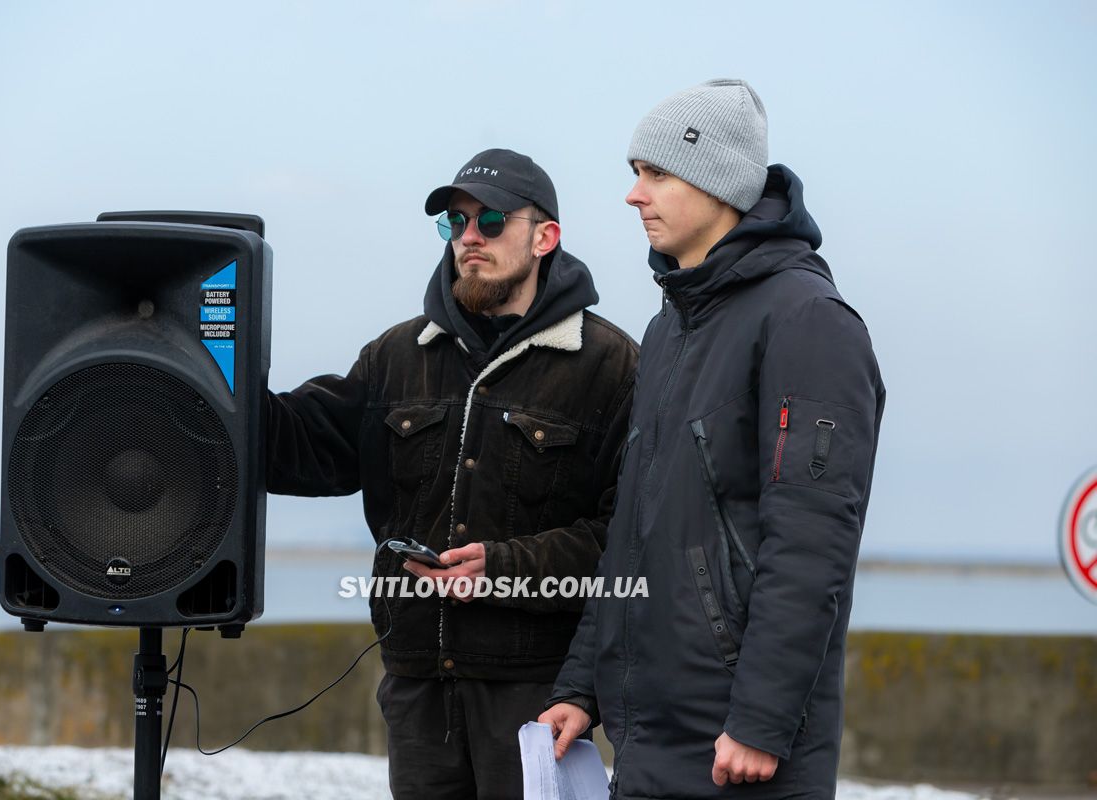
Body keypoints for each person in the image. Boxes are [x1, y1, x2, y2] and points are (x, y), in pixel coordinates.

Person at [540, 80, 886, 798]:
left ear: (718, 181)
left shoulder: (807, 322)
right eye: (636, 174)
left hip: (741, 751)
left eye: (656, 174)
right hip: (647, 740)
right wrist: (581, 688)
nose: (635, 195)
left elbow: (811, 543)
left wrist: (761, 720)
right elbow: (633, 535)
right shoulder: (670, 329)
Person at [266, 148, 639, 799]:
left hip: (537, 696)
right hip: (416, 690)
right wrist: (216, 383)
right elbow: (305, 445)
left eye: (491, 220)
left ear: (545, 236)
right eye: (455, 223)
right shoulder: (394, 356)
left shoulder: (610, 366)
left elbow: (630, 533)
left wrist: (503, 566)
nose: (470, 236)